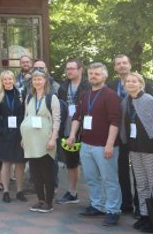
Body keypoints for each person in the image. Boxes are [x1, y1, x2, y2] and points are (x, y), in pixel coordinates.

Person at [66, 62, 122, 226]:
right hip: (86, 145)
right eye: (91, 74)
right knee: (91, 178)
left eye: (97, 74)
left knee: (109, 179)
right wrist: (71, 136)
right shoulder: (85, 95)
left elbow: (115, 121)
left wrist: (110, 144)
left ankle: (113, 210)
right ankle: (97, 205)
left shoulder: (110, 95)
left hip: (104, 145)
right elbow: (77, 117)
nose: (93, 76)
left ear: (104, 76)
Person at [121, 72, 153, 232]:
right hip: (135, 148)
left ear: (140, 84)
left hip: (151, 149)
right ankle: (144, 215)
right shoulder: (126, 101)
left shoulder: (147, 100)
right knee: (141, 184)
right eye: (128, 81)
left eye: (134, 81)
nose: (130, 83)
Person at [108, 54, 153, 216]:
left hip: (139, 135)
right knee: (121, 169)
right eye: (118, 64)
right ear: (114, 68)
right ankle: (126, 203)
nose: (121, 66)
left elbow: (151, 111)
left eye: (124, 63)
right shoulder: (111, 85)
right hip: (119, 132)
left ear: (129, 64)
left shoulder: (145, 83)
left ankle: (140, 206)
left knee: (139, 171)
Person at [21, 70, 61, 213]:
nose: (37, 82)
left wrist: (53, 138)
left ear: (45, 81)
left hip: (46, 141)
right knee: (35, 173)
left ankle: (49, 202)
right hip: (31, 141)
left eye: (39, 79)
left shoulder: (52, 98)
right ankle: (40, 200)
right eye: (34, 79)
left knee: (47, 173)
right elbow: (26, 117)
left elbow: (56, 120)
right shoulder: (29, 98)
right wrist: (23, 138)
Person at [56, 59, 90, 204]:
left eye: (72, 68)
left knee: (90, 162)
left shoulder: (88, 85)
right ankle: (72, 192)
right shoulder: (63, 87)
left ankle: (97, 198)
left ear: (80, 69)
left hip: (86, 127)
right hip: (68, 126)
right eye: (67, 69)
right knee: (71, 161)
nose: (69, 71)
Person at [0, 70, 27, 203]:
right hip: (6, 133)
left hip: (19, 133)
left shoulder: (21, 94)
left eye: (10, 79)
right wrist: (1, 130)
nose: (8, 82)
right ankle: (6, 191)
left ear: (14, 80)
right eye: (5, 79)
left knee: (20, 163)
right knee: (6, 162)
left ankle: (20, 191)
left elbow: (25, 113)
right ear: (2, 81)